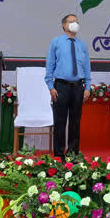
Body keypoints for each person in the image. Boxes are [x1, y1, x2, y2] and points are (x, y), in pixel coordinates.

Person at [45, 14, 92, 160]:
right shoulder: (56, 42)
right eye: (72, 22)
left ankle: (72, 153)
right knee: (60, 122)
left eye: (77, 22)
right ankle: (59, 155)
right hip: (61, 87)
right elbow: (50, 65)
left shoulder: (82, 45)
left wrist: (87, 87)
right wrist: (51, 86)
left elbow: (86, 67)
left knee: (75, 122)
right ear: (64, 25)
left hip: (78, 87)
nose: (75, 24)